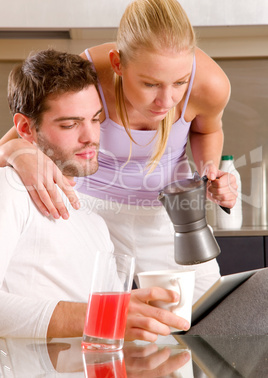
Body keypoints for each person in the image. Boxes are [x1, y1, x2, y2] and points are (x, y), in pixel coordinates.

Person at [0, 0, 238, 302]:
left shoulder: (210, 85)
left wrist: (209, 172)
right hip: (90, 213)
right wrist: (20, 154)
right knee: (99, 320)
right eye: (150, 84)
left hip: (170, 217)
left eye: (180, 82)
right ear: (118, 64)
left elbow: (208, 128)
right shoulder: (88, 75)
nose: (167, 101)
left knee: (209, 314)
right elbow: (20, 135)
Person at [0, 49, 190, 339]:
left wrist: (141, 321)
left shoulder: (93, 222)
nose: (90, 136)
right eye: (70, 124)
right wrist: (103, 315)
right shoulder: (11, 190)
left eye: (96, 119)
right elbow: (102, 317)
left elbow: (108, 330)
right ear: (26, 128)